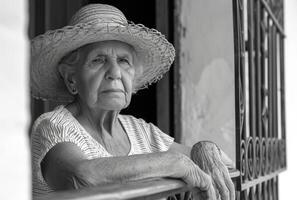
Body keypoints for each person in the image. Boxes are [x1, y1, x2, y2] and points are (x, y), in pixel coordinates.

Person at [30, 3, 235, 200]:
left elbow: (220, 164)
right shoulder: (53, 127)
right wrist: (172, 162)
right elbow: (81, 177)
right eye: (98, 60)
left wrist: (204, 150)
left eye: (123, 60)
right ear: (71, 78)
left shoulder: (139, 130)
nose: (115, 72)